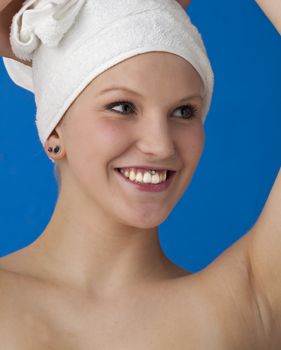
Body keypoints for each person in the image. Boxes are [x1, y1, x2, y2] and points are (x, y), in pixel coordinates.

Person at [0, 0, 280, 348]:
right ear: (54, 131)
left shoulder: (250, 304)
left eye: (184, 111)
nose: (161, 145)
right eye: (122, 107)